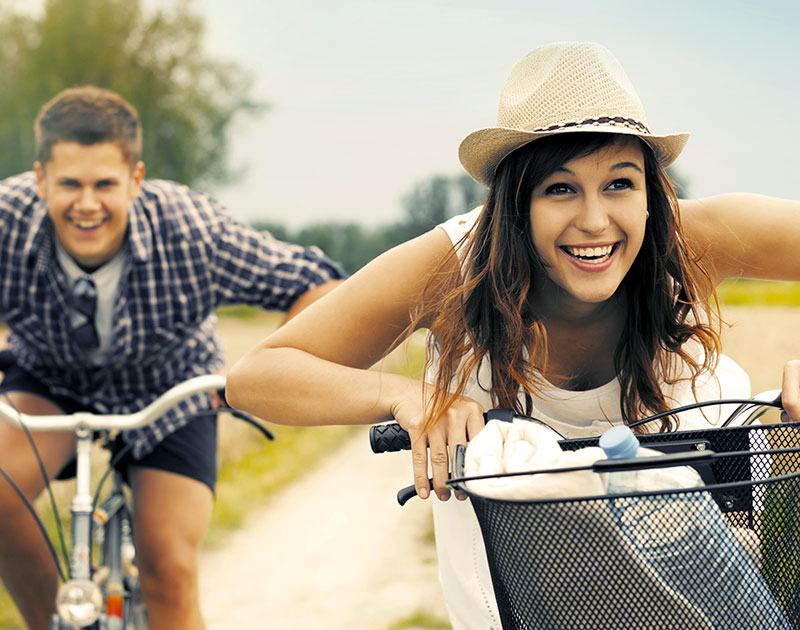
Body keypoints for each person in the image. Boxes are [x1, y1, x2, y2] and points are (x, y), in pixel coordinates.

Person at [225, 41, 800, 629]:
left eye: (620, 183)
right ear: (515, 205)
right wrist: (408, 396)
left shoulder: (692, 238)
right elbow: (257, 377)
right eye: (560, 188)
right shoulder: (455, 268)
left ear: (652, 192)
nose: (596, 220)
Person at [0, 85, 344, 630]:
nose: (86, 204)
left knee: (168, 567)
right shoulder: (6, 218)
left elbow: (319, 285)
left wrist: (250, 372)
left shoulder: (191, 227)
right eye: (69, 184)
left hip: (174, 393)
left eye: (105, 184)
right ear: (40, 179)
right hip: (50, 378)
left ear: (136, 180)